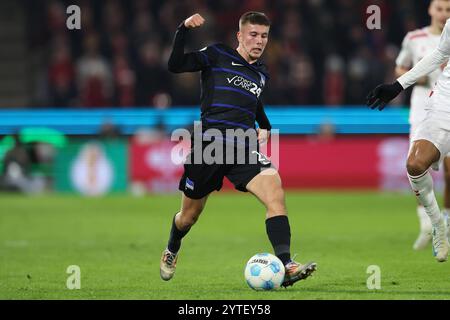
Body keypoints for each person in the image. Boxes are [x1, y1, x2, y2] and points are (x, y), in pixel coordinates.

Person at [160, 12, 317, 287]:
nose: (259, 41)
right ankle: (172, 247)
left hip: (243, 147)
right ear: (239, 36)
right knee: (188, 217)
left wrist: (265, 125)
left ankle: (286, 263)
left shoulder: (261, 73)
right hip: (209, 147)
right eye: (253, 34)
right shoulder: (216, 54)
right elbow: (175, 65)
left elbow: (253, 102)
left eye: (264, 36)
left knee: (275, 193)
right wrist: (182, 28)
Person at [366, 15, 450, 262]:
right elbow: (439, 55)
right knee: (414, 164)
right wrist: (398, 85)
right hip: (444, 105)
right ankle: (438, 226)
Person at [395, 0, 450, 251]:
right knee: (416, 164)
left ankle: (445, 223)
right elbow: (404, 64)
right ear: (430, 10)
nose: (443, 14)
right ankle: (430, 224)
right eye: (439, 8)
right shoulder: (415, 38)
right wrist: (401, 83)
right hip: (428, 107)